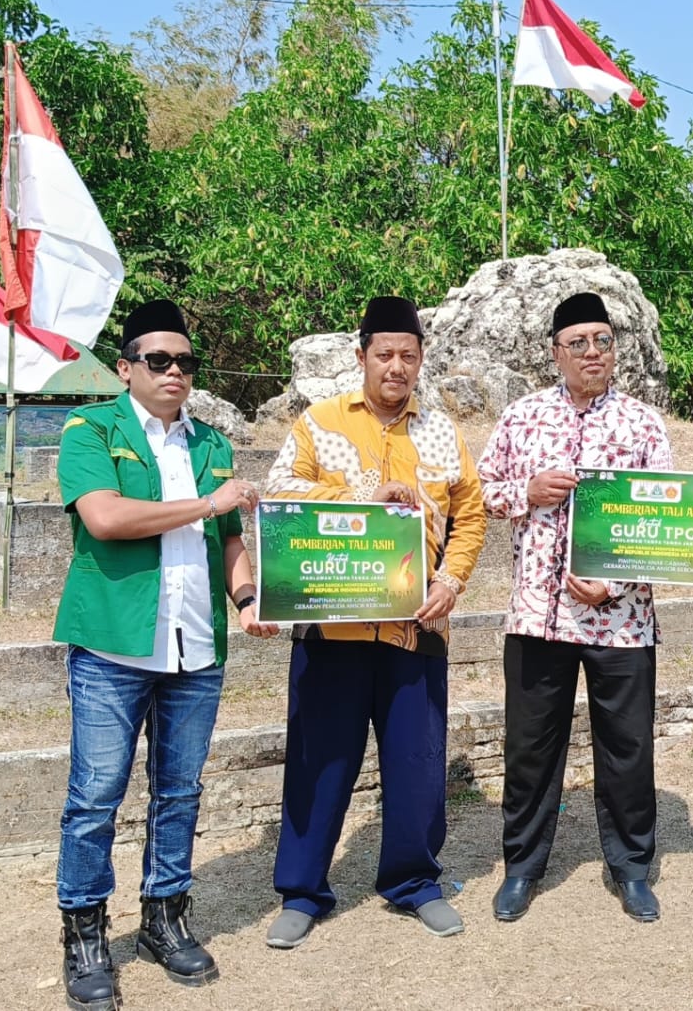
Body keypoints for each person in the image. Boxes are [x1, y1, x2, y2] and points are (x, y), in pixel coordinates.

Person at [52, 298, 277, 1007]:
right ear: (127, 368)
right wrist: (210, 506)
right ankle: (85, 935)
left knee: (179, 792)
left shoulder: (211, 444)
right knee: (95, 798)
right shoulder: (91, 430)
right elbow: (106, 518)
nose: (174, 372)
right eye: (159, 360)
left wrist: (246, 600)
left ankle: (165, 918)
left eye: (185, 361)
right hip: (115, 645)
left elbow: (231, 543)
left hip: (196, 643)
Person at [262, 295, 486, 949]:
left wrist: (450, 580)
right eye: (384, 354)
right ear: (361, 357)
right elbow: (279, 496)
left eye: (408, 356)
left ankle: (414, 882)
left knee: (417, 766)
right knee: (318, 764)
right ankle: (303, 891)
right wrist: (363, 493)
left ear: (421, 362)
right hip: (332, 630)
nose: (396, 367)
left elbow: (470, 515)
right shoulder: (319, 423)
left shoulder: (442, 431)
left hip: (416, 629)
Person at [476, 292, 674, 924]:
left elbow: (664, 521)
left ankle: (632, 868)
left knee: (628, 749)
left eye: (603, 341)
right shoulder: (521, 417)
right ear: (555, 352)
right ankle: (523, 868)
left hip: (621, 620)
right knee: (531, 749)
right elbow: (481, 492)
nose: (593, 353)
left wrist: (616, 583)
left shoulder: (643, 424)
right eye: (578, 343)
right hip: (538, 616)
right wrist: (525, 491)